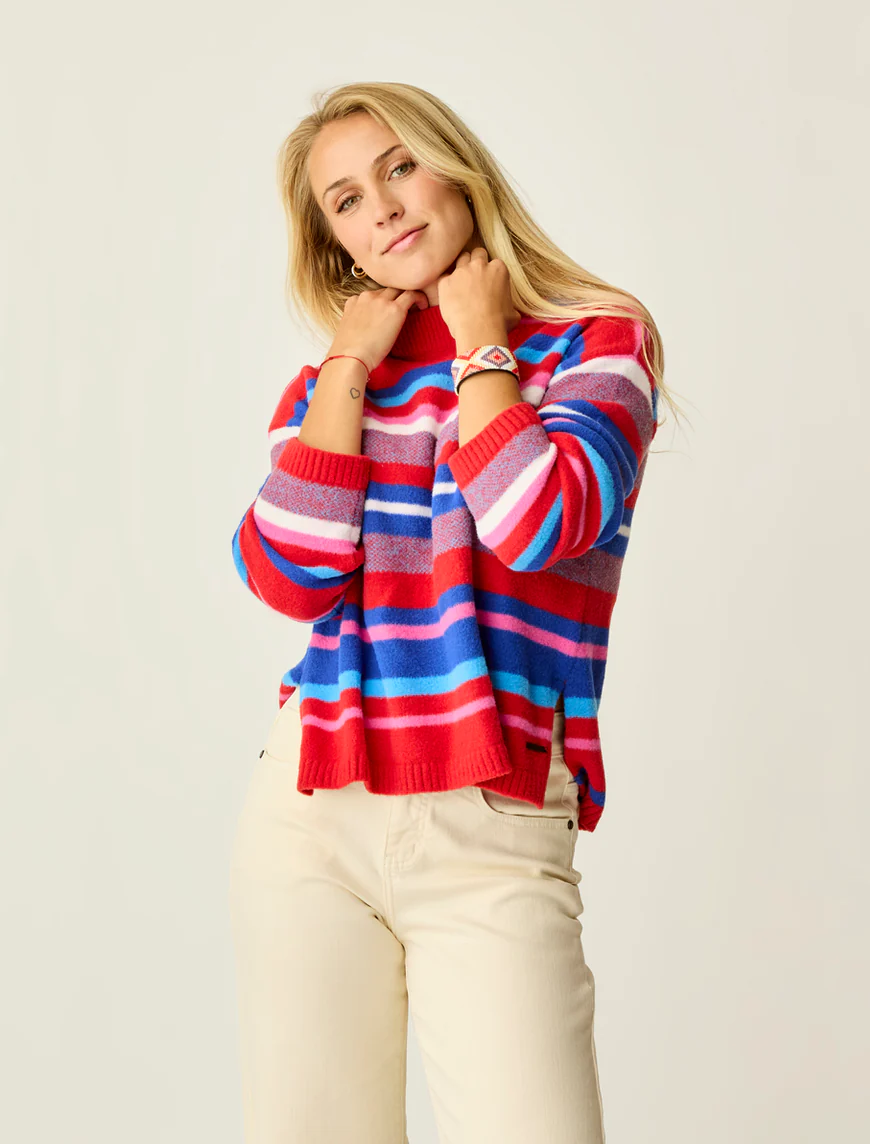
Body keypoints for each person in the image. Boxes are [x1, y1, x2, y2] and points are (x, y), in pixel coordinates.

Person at [228, 81, 679, 1144]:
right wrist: (349, 362)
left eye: (400, 166)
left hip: (495, 813)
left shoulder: (597, 342)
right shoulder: (334, 385)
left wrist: (481, 341)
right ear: (334, 242)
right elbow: (285, 574)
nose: (382, 206)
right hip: (315, 806)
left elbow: (536, 520)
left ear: (458, 168)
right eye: (345, 199)